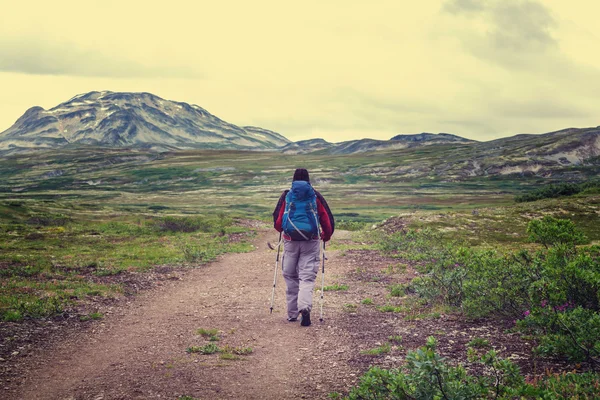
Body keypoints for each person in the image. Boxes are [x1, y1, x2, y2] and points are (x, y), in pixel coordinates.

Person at [272, 168, 334, 326]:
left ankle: (292, 314)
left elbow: (278, 222)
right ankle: (304, 307)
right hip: (311, 241)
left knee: (290, 276)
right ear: (308, 179)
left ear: (293, 179)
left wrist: (284, 230)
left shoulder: (288, 195)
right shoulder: (315, 195)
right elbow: (326, 218)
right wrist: (326, 235)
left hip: (290, 241)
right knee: (307, 277)